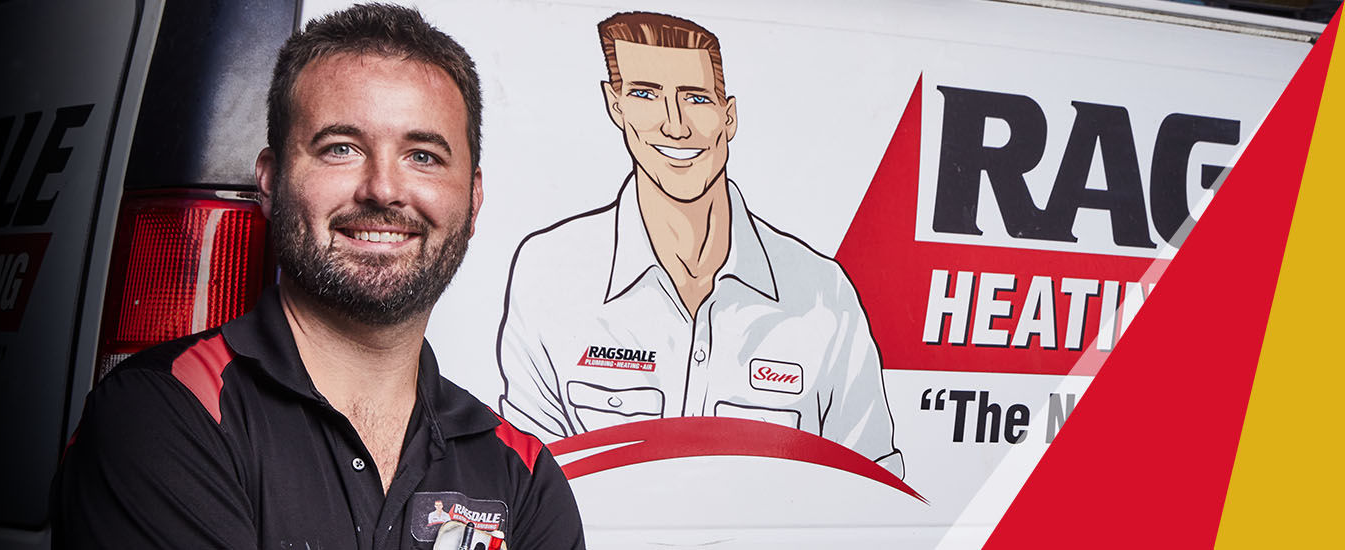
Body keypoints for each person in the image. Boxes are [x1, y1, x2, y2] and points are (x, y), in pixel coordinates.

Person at [58, 4, 585, 548]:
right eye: (341, 149)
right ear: (269, 180)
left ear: (473, 200)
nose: (383, 189)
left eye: (423, 156)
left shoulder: (521, 475)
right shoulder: (165, 416)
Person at [496, 11, 904, 478]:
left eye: (695, 98)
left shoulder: (821, 294)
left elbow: (872, 486)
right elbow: (524, 487)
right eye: (645, 95)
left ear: (728, 117)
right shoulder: (550, 273)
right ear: (615, 106)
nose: (674, 125)